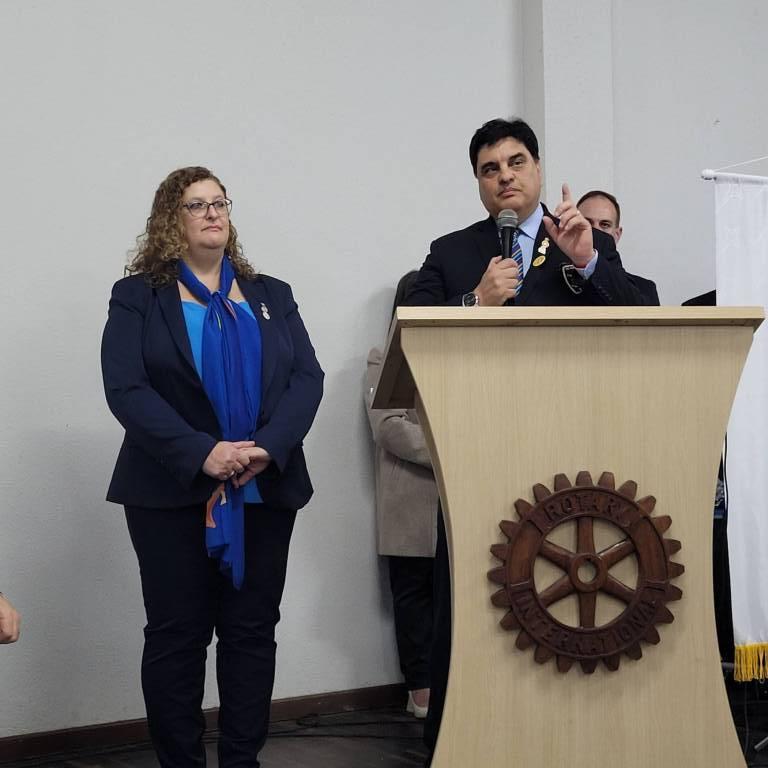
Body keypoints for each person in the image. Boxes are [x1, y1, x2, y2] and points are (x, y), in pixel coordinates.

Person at [404, 118, 657, 763]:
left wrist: (588, 262)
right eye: (490, 169)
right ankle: (464, 742)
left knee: (565, 605)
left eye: (516, 162)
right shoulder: (450, 252)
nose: (505, 177)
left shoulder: (578, 238)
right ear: (479, 184)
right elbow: (411, 334)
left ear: (539, 169)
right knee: (470, 602)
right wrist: (474, 303)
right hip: (476, 452)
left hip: (574, 454)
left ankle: (573, 738)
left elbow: (640, 320)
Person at [101, 166, 323, 767]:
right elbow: (126, 388)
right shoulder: (137, 296)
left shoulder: (271, 294)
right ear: (169, 220)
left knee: (251, 633)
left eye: (220, 202)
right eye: (196, 204)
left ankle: (242, 761)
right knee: (177, 636)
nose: (212, 213)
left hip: (263, 487)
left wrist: (267, 446)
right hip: (170, 490)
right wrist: (203, 451)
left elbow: (307, 377)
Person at [365, 271, 438, 719]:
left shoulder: (457, 357)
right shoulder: (383, 360)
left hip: (458, 500)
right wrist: (453, 452)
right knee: (413, 598)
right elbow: (390, 427)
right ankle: (420, 689)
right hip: (410, 500)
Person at [577, 189, 660, 303]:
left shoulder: (644, 290)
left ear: (617, 235)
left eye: (605, 225)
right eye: (586, 223)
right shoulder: (554, 281)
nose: (595, 231)